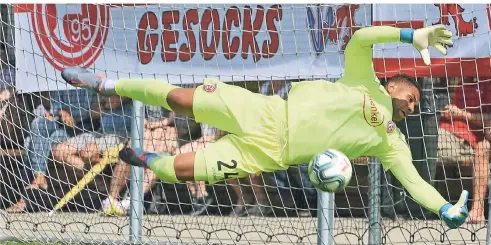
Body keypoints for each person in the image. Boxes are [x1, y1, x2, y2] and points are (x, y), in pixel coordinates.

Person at [61, 24, 468, 228]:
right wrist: (411, 35)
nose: (412, 108)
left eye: (415, 106)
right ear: (391, 84)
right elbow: (361, 38)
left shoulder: (390, 143)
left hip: (269, 154)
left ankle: (147, 160)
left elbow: (416, 183)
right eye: (410, 98)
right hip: (266, 112)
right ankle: (105, 81)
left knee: (181, 169)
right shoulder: (363, 81)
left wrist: (444, 207)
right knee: (180, 99)